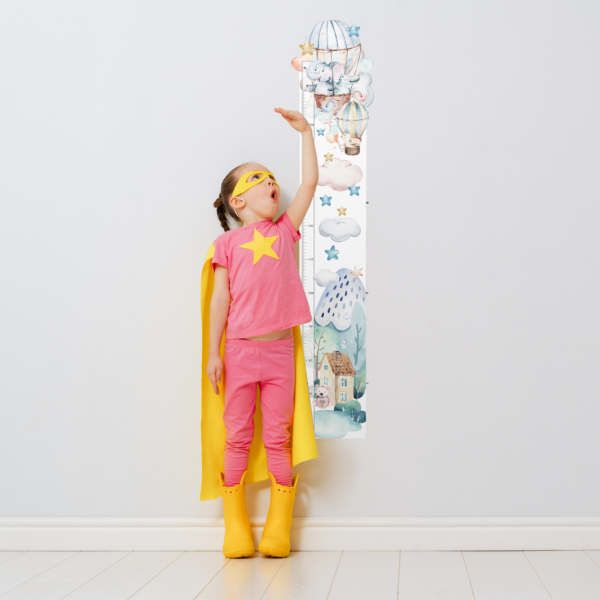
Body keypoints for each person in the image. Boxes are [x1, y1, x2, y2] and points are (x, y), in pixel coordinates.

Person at [203, 107, 319, 558]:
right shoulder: (226, 244)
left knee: (278, 438)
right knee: (236, 437)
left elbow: (309, 184)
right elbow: (219, 301)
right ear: (237, 202)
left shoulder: (284, 231)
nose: (271, 182)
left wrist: (305, 132)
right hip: (238, 352)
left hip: (277, 356)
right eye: (258, 179)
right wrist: (213, 353)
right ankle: (235, 526)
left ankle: (278, 526)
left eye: (271, 177)